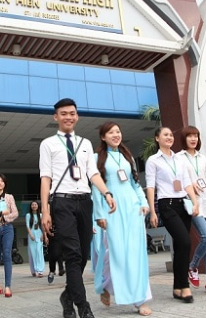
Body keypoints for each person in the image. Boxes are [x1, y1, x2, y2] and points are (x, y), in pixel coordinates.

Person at [39, 98, 116, 318]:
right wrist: (45, 211)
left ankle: (67, 296)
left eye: (72, 113)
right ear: (56, 117)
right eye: (63, 113)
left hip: (84, 201)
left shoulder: (85, 144)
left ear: (77, 116)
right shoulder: (48, 144)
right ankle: (83, 308)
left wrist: (106, 193)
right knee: (72, 255)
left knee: (82, 255)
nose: (68, 117)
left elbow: (93, 173)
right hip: (61, 202)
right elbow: (45, 178)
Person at [92, 121, 152, 316]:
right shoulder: (96, 158)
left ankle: (140, 299)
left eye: (118, 131)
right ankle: (104, 285)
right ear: (103, 137)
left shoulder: (128, 157)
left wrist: (143, 202)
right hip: (112, 210)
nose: (116, 135)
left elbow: (135, 183)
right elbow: (96, 188)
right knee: (115, 253)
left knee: (136, 254)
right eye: (111, 132)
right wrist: (99, 214)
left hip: (133, 208)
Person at [146, 126, 198, 303]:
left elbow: (186, 182)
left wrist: (195, 201)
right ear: (157, 138)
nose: (169, 137)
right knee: (185, 241)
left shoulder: (180, 159)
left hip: (183, 204)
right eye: (165, 135)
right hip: (166, 205)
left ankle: (178, 287)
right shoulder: (153, 161)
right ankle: (185, 286)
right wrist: (153, 211)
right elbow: (151, 186)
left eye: (171, 135)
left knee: (181, 246)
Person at [177, 126, 206, 294]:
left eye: (196, 136)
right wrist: (189, 185)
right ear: (184, 139)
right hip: (193, 204)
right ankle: (193, 266)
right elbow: (176, 180)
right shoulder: (178, 158)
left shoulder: (202, 158)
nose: (193, 139)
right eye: (190, 136)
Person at [26, 200, 45, 277]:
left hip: (39, 234)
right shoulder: (28, 215)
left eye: (35, 204)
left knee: (39, 252)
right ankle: (33, 270)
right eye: (32, 205)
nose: (34, 206)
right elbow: (28, 226)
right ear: (31, 206)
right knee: (32, 253)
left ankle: (40, 271)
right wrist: (30, 234)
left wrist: (43, 235)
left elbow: (43, 226)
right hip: (32, 234)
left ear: (38, 206)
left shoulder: (41, 215)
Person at [45, 220, 65, 284]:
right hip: (50, 235)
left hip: (59, 235)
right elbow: (44, 225)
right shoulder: (48, 214)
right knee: (51, 254)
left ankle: (61, 269)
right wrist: (45, 236)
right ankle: (52, 271)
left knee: (59, 252)